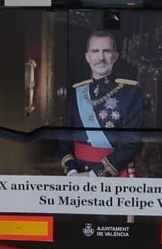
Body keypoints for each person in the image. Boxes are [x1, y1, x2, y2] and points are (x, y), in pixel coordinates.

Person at [60, 30, 142, 177]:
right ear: (88, 57)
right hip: (78, 176)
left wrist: (95, 175)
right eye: (95, 51)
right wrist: (71, 172)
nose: (101, 57)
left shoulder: (130, 92)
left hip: (114, 175)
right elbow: (65, 137)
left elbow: (131, 143)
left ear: (115, 56)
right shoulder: (77, 92)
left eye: (106, 51)